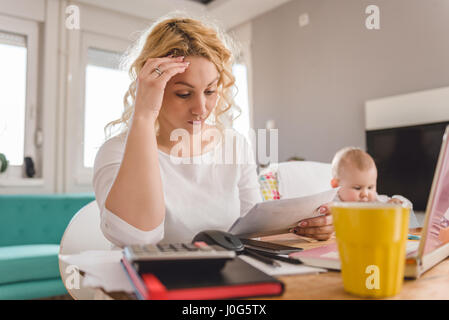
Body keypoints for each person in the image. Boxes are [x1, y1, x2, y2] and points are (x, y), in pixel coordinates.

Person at [93, 15, 334, 248]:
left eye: (210, 91)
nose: (201, 109)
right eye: (184, 94)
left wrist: (303, 228)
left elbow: (253, 233)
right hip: (152, 284)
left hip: (227, 279)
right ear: (154, 89)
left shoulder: (235, 145)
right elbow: (137, 239)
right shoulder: (117, 151)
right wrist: (144, 115)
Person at [329, 147, 419, 226]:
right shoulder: (331, 207)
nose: (365, 194)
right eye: (357, 188)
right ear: (335, 185)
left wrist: (395, 204)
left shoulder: (375, 201)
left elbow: (406, 206)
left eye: (370, 187)